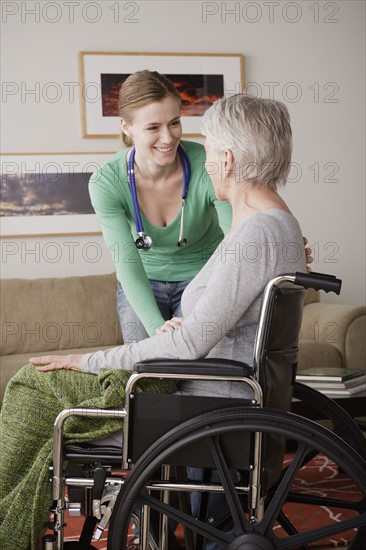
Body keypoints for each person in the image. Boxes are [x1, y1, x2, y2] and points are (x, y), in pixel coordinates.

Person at [0, 93, 307, 550]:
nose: (204, 163)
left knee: (31, 387)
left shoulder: (259, 232)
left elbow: (188, 346)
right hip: (212, 389)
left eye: (211, 149)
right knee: (40, 384)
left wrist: (87, 360)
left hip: (201, 396)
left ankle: (10, 526)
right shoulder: (275, 224)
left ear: (227, 157)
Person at [88, 70, 312, 343]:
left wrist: (278, 250)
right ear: (126, 127)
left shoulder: (208, 164)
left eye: (174, 123)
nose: (168, 138)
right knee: (144, 369)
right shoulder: (107, 182)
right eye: (152, 128)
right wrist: (157, 328)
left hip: (200, 280)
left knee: (196, 362)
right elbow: (127, 263)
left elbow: (238, 230)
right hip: (143, 281)